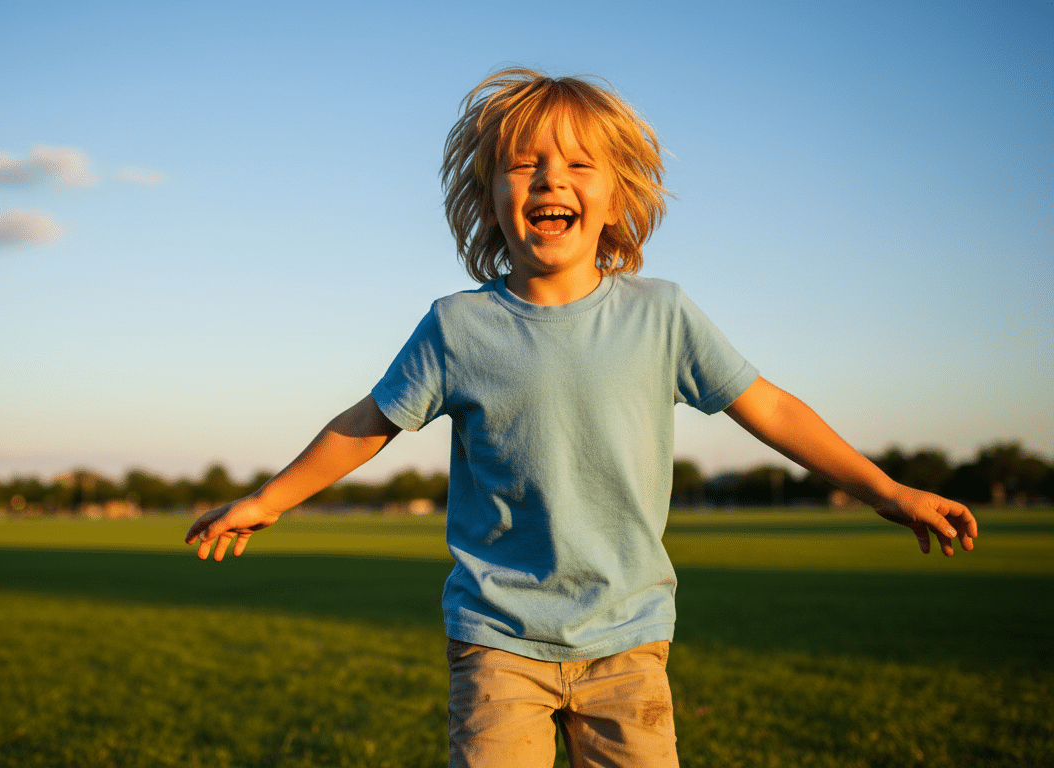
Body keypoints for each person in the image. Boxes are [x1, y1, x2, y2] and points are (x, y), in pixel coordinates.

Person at [184, 67, 978, 768]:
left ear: (616, 196)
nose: (549, 180)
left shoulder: (663, 315)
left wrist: (888, 490)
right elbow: (369, 422)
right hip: (497, 637)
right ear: (489, 199)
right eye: (523, 165)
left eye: (576, 164)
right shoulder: (457, 327)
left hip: (628, 637)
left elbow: (768, 406)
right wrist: (268, 500)